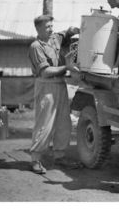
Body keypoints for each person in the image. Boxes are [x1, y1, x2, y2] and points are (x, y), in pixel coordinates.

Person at [28, 15, 80, 174]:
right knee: (45, 124)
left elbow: (68, 31)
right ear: (38, 29)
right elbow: (45, 72)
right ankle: (35, 159)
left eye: (51, 26)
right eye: (47, 27)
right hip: (46, 86)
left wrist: (77, 30)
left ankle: (60, 155)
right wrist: (67, 68)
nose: (51, 29)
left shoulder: (55, 37)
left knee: (64, 122)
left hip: (60, 85)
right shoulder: (36, 46)